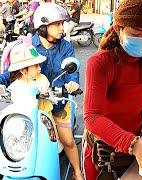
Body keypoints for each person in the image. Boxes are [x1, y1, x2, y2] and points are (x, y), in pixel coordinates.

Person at [83, 0, 142, 179]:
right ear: (119, 29)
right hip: (102, 151)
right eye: (136, 33)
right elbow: (92, 117)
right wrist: (134, 144)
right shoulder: (100, 63)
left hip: (135, 149)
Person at [0, 3, 83, 180]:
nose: (62, 28)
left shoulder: (66, 46)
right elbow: (13, 71)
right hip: (32, 107)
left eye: (62, 24)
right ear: (43, 26)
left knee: (68, 141)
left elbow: (72, 70)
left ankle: (77, 172)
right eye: (58, 24)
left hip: (58, 103)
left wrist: (72, 84)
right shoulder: (29, 45)